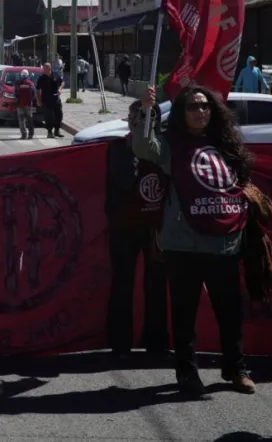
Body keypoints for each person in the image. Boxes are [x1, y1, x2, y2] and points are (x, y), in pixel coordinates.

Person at [134, 84, 256, 396]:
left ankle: (236, 368)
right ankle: (187, 373)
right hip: (183, 245)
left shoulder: (225, 144)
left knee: (230, 312)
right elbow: (144, 148)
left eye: (205, 106)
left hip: (224, 243)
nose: (200, 111)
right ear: (181, 113)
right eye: (192, 106)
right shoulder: (171, 145)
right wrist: (146, 110)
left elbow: (237, 185)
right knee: (184, 314)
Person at [105, 100, 169, 358]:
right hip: (125, 227)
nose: (138, 122)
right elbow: (122, 180)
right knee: (123, 283)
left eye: (145, 118)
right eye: (135, 117)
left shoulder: (164, 148)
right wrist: (135, 151)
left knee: (157, 285)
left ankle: (156, 343)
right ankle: (120, 343)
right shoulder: (119, 147)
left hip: (156, 228)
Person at [36, 62, 64, 139]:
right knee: (49, 117)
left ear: (49, 69)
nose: (43, 70)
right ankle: (49, 132)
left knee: (59, 115)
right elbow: (38, 90)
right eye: (43, 69)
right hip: (47, 100)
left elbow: (62, 82)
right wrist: (39, 101)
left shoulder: (55, 74)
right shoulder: (41, 78)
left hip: (56, 99)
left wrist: (60, 89)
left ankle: (57, 131)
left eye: (45, 69)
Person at [14, 69, 37, 140]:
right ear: (28, 75)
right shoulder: (31, 83)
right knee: (30, 120)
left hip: (20, 105)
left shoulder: (18, 84)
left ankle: (24, 135)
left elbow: (15, 94)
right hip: (29, 105)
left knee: (21, 120)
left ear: (21, 75)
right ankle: (30, 135)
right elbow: (34, 94)